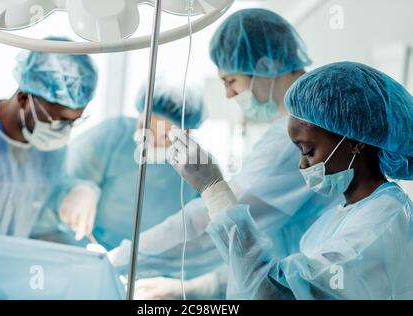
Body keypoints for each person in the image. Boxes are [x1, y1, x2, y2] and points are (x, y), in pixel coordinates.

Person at [108, 9, 341, 299]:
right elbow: (267, 243)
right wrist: (199, 287)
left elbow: (210, 226)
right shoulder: (294, 128)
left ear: (267, 65)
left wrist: (119, 259)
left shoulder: (292, 139)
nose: (229, 95)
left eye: (231, 81)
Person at [170, 61, 413, 299]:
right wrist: (201, 287)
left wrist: (214, 190)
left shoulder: (383, 219)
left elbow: (276, 292)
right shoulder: (341, 215)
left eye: (308, 151)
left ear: (355, 142)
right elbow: (282, 268)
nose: (302, 165)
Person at [0, 36, 98, 237]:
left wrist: (76, 192)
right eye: (59, 120)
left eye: (72, 122)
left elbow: (46, 206)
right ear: (24, 98)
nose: (64, 131)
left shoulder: (50, 149)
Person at [55, 79, 202, 248]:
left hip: (153, 264)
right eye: (145, 128)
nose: (150, 142)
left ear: (188, 134)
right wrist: (80, 191)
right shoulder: (112, 136)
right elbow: (66, 177)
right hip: (89, 247)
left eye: (165, 137)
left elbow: (203, 224)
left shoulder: (199, 167)